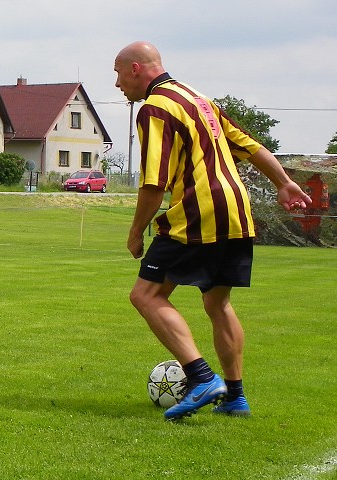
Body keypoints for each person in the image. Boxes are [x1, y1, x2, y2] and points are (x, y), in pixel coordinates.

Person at [114, 41, 311, 420]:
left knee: (146, 296)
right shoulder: (200, 99)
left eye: (119, 73)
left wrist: (136, 230)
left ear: (136, 69)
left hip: (197, 211)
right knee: (217, 303)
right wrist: (283, 183)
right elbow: (251, 147)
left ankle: (201, 377)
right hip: (237, 211)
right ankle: (236, 398)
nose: (118, 84)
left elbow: (154, 182)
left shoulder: (156, 108)